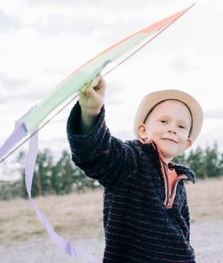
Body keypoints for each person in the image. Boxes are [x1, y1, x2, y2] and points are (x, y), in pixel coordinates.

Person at [67, 74, 203, 262]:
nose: (172, 128)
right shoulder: (131, 160)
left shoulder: (179, 180)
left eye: (181, 126)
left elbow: (183, 233)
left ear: (186, 144)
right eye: (164, 121)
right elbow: (97, 153)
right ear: (143, 131)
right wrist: (91, 112)